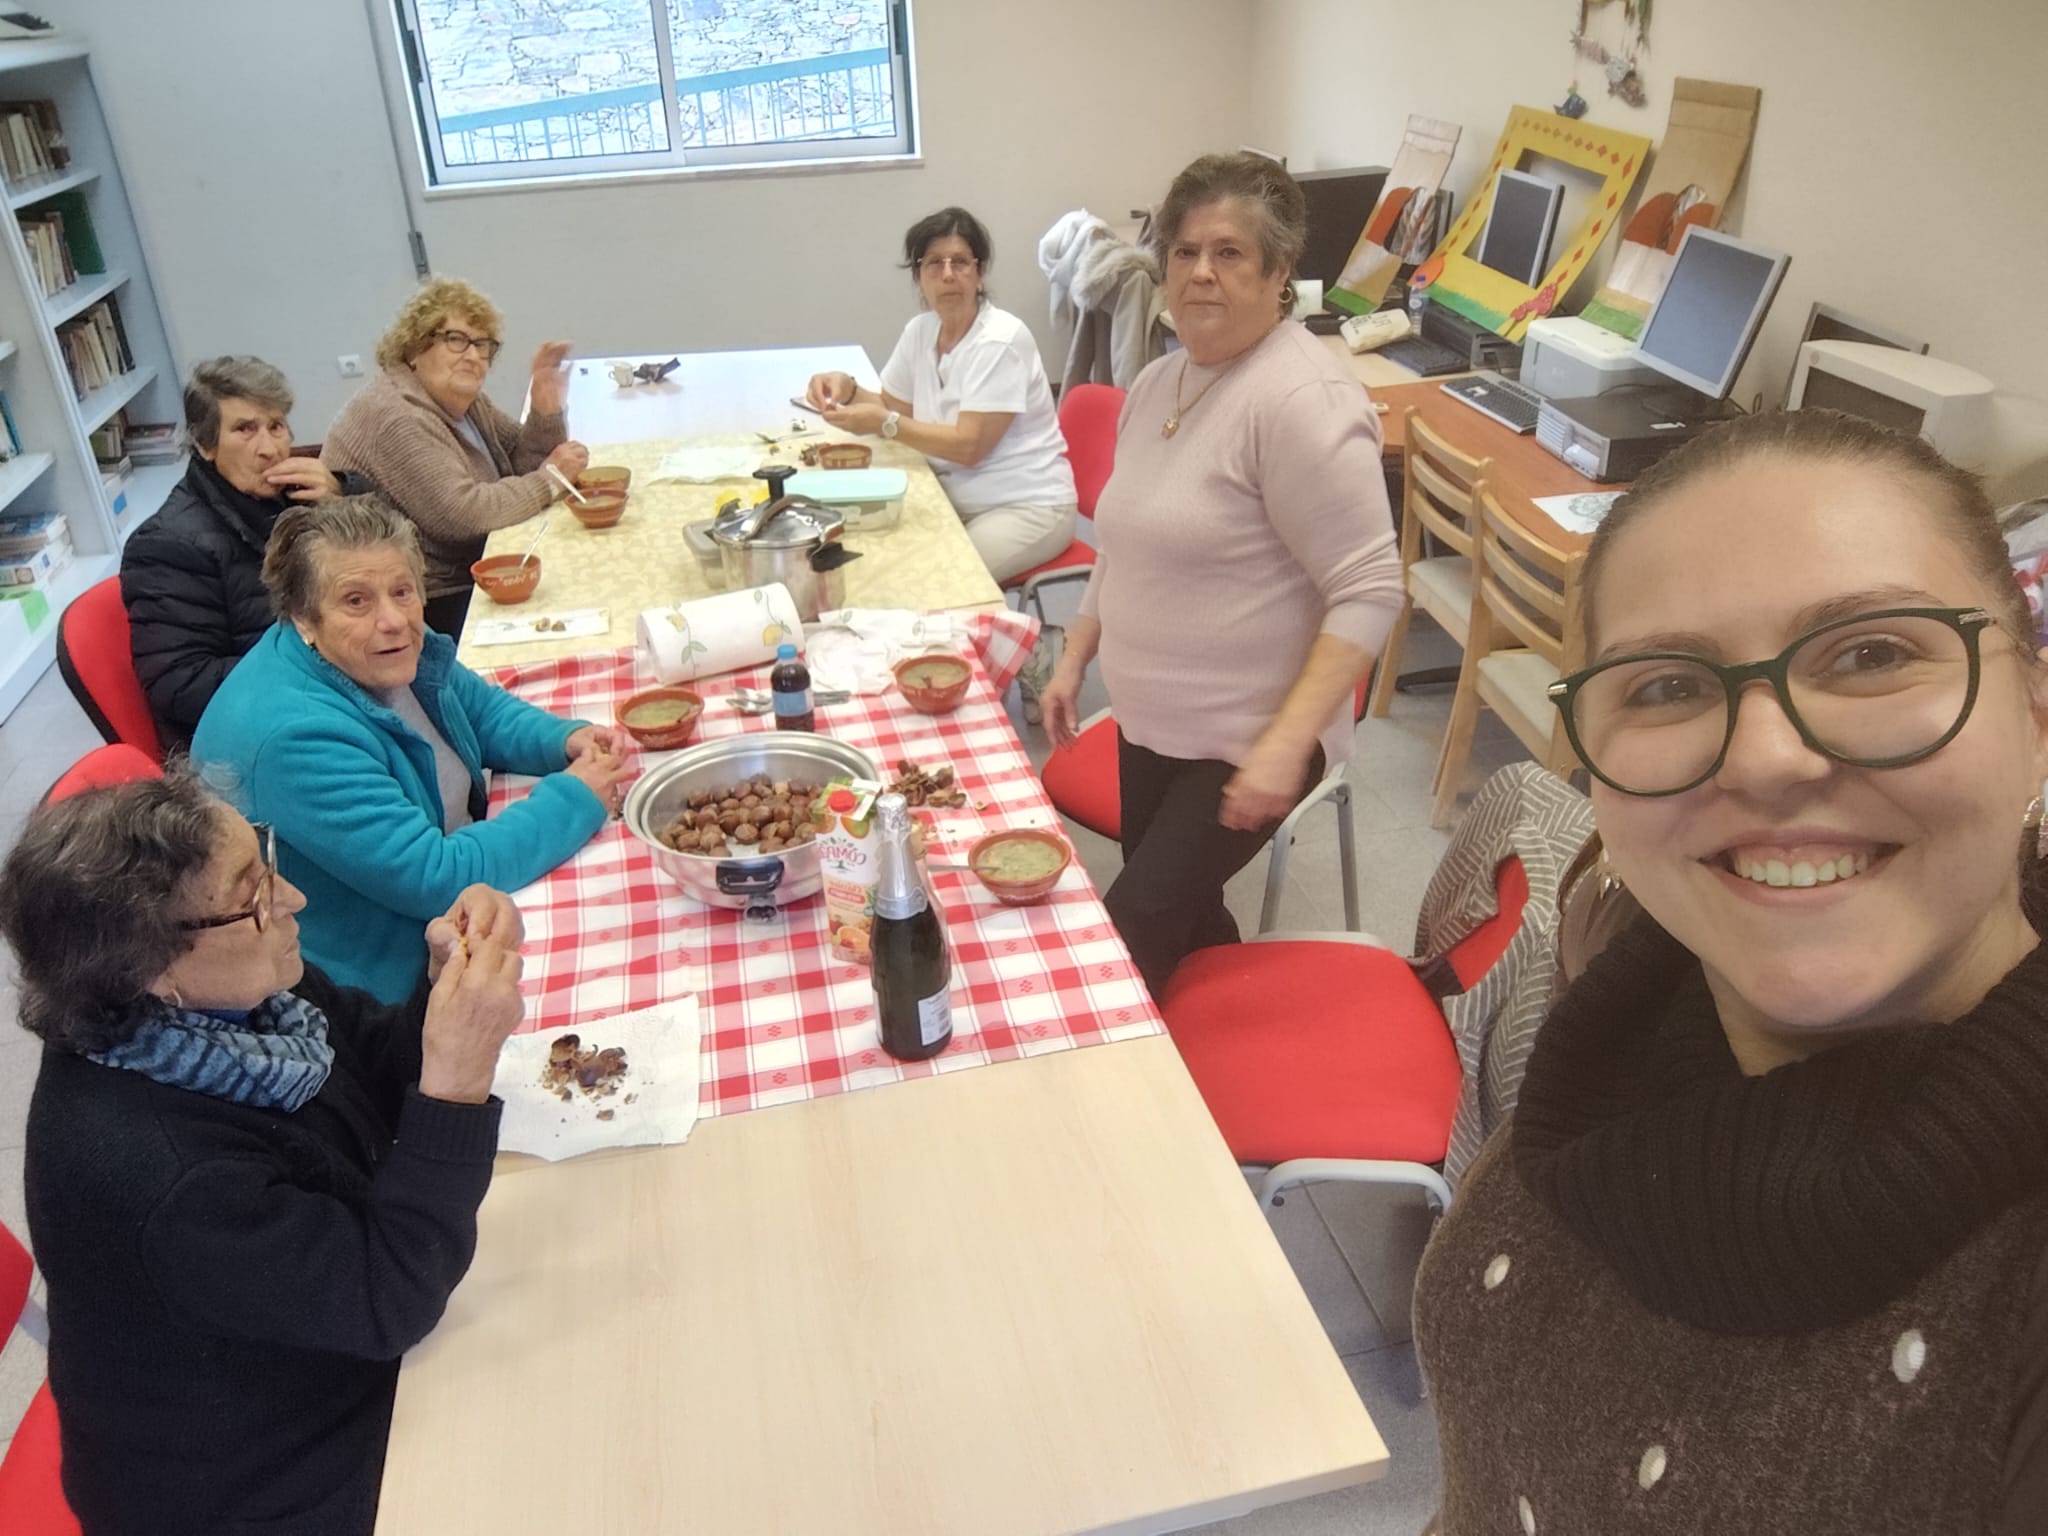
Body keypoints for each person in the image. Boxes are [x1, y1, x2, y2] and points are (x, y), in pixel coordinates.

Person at [1412, 410, 2048, 1534]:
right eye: (1665, 686)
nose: (1763, 759)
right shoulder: (1618, 1001)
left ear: (2034, 710)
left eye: (1871, 654)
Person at [2, 769, 527, 1535]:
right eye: (253, 895)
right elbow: (389, 1299)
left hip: (314, 1342)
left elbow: (374, 1059)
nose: (292, 900)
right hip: (253, 1480)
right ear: (153, 967)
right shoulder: (164, 1175)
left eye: (265, 861)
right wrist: (454, 1086)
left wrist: (442, 985)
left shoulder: (237, 998)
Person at [1035, 153, 1401, 995]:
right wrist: (1076, 654)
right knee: (1188, 921)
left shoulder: (1301, 400)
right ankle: (1218, 1047)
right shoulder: (1159, 381)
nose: (1201, 271)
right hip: (1151, 721)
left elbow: (1370, 588)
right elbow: (1123, 541)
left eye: (1229, 252)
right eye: (1185, 251)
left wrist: (1285, 744)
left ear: (1279, 273)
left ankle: (1137, 1076)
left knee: (1126, 945)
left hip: (1245, 739)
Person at [192, 496, 629, 1003]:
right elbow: (436, 877)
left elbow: (478, 710)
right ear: (303, 618)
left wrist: (562, 739)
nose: (393, 619)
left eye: (402, 591)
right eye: (356, 601)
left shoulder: (370, 647)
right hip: (382, 983)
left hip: (455, 883)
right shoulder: (294, 740)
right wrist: (575, 797)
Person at [804, 207, 1078, 585]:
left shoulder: (1000, 341)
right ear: (918, 277)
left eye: (960, 262)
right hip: (952, 496)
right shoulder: (921, 331)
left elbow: (968, 446)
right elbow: (892, 408)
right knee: (868, 558)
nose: (948, 274)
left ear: (979, 273)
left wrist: (885, 425)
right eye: (934, 263)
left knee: (935, 583)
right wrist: (848, 389)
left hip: (1026, 506)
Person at [120, 356, 370, 749]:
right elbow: (182, 684)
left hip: (331, 694)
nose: (269, 449)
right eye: (245, 430)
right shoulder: (167, 545)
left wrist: (344, 497)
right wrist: (322, 660)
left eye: (276, 426)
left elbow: (386, 560)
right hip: (255, 733)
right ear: (205, 444)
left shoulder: (293, 500)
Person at [321, 277, 589, 636]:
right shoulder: (396, 415)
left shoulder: (465, 402)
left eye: (482, 344)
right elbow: (465, 515)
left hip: (472, 565)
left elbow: (521, 465)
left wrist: (544, 410)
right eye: (456, 340)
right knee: (569, 601)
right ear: (415, 348)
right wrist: (551, 479)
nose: (474, 356)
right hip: (418, 601)